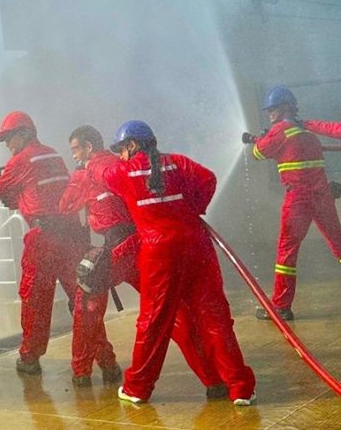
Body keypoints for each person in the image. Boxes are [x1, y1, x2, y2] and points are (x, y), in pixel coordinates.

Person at [59, 125, 227, 397]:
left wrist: (76, 180)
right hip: (142, 243)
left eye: (76, 149)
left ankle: (84, 372)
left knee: (85, 302)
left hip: (117, 249)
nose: (75, 156)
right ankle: (214, 378)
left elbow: (64, 206)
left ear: (89, 147)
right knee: (173, 314)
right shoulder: (122, 163)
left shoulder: (87, 172)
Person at [104, 120, 256, 405]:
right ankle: (240, 387)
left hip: (158, 252)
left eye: (121, 149)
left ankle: (137, 387)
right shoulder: (179, 163)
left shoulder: (121, 171)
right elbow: (208, 178)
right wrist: (193, 208)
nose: (119, 156)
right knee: (215, 317)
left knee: (154, 322)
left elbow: (106, 176)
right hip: (197, 245)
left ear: (133, 145)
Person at [0, 110, 91, 375]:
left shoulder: (19, 161)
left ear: (24, 134)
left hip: (42, 239)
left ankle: (30, 358)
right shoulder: (53, 153)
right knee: (83, 299)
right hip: (69, 234)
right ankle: (106, 359)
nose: (8, 145)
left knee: (35, 300)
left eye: (10, 138)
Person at [242, 85, 341, 321]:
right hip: (323, 196)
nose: (270, 113)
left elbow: (257, 154)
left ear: (285, 107)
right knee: (338, 243)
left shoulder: (279, 132)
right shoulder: (307, 133)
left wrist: (260, 139)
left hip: (298, 200)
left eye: (273, 109)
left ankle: (281, 306)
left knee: (287, 252)